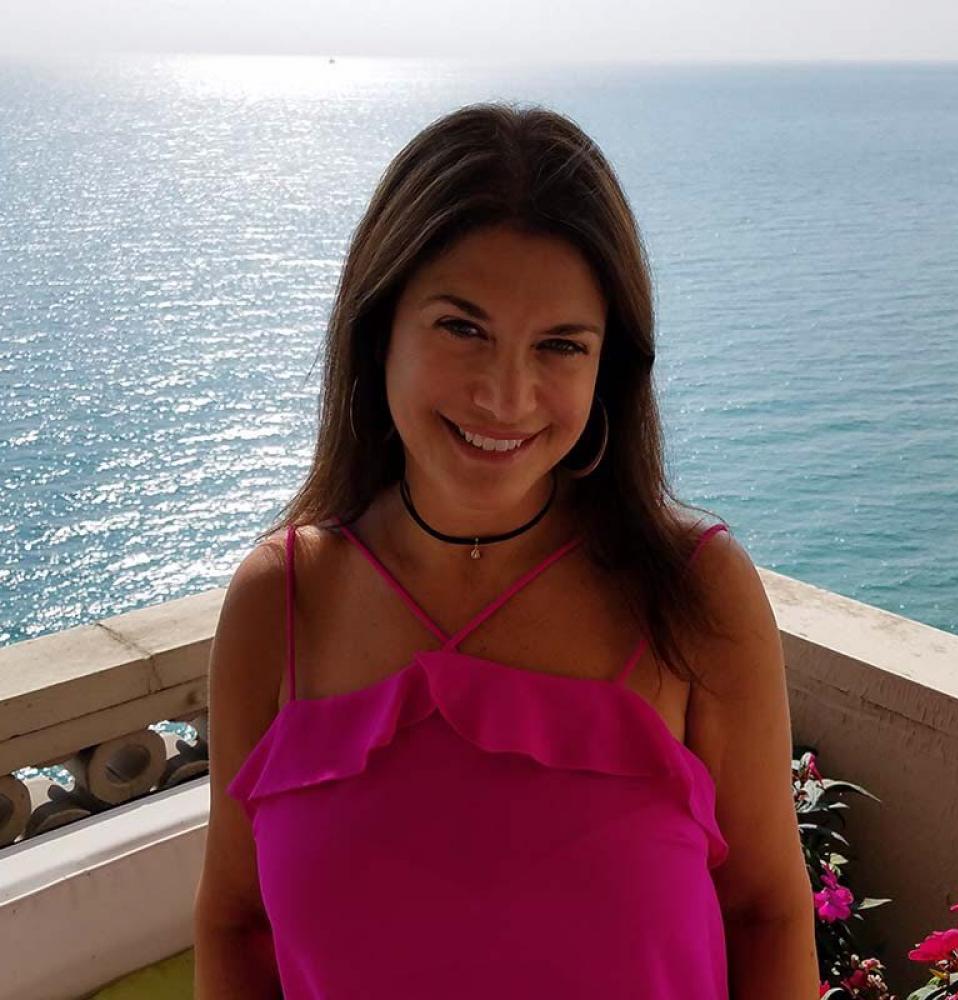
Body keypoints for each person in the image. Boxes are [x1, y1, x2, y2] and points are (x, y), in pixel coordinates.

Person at [194, 102, 818, 998]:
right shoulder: (281, 602)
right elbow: (235, 922)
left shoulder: (692, 592)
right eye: (463, 328)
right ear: (381, 330)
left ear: (610, 368)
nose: (506, 394)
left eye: (560, 346)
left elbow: (766, 911)